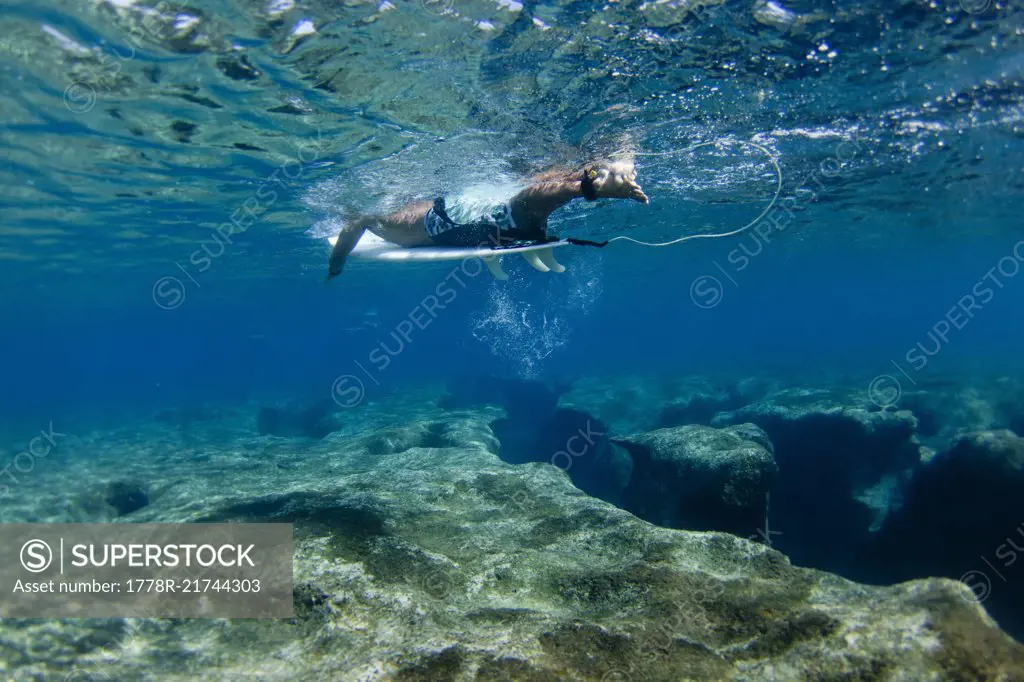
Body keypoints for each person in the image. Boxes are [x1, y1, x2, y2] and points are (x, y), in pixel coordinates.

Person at [326, 160, 649, 281]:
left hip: (496, 223)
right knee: (540, 195)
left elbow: (362, 220)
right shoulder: (415, 212)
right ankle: (597, 174)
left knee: (538, 198)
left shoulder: (400, 227)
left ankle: (593, 182)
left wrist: (336, 264)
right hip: (506, 224)